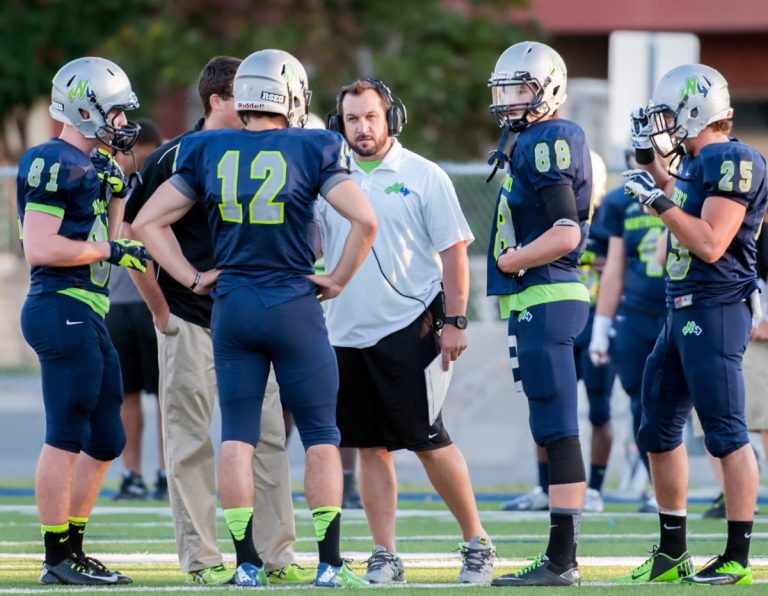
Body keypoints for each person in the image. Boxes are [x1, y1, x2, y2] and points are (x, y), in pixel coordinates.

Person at [132, 49, 377, 588]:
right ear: (289, 94)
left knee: (236, 437)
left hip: (232, 308)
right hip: (292, 303)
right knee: (319, 436)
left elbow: (147, 223)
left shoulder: (203, 146)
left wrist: (193, 277)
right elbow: (365, 220)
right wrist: (336, 279)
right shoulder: (315, 144)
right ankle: (329, 565)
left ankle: (244, 563)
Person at [316, 77, 493, 585]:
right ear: (339, 124)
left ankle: (476, 542)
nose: (362, 127)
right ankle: (384, 552)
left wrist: (456, 320)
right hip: (344, 331)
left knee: (428, 439)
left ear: (390, 117)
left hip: (409, 328)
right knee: (369, 447)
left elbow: (454, 251)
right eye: (352, 119)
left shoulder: (423, 174)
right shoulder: (330, 177)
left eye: (371, 116)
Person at [615, 63, 766, 586]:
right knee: (656, 428)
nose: (664, 127)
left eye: (669, 115)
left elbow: (708, 241)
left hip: (716, 308)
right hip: (681, 309)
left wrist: (655, 200)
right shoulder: (702, 162)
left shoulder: (732, 157)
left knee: (725, 432)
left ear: (696, 110)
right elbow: (683, 199)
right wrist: (651, 171)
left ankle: (737, 557)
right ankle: (673, 551)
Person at [17, 56, 150, 585]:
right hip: (58, 304)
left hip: (87, 309)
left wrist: (116, 191)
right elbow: (40, 247)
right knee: (67, 432)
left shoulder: (95, 166)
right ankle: (57, 557)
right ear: (87, 108)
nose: (122, 122)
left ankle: (72, 546)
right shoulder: (52, 160)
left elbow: (113, 236)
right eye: (115, 112)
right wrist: (110, 249)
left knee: (107, 438)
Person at [485, 41, 592, 587]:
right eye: (504, 88)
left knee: (558, 430)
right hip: (537, 300)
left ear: (548, 89)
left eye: (520, 88)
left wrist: (512, 259)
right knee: (549, 429)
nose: (508, 100)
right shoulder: (534, 139)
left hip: (548, 295)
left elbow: (566, 231)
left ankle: (562, 559)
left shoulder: (550, 137)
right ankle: (559, 555)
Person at [503, 151, 614, 515]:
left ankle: (593, 488)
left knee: (598, 411)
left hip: (590, 317)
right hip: (558, 310)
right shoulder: (548, 216)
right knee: (546, 405)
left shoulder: (605, 218)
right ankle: (542, 484)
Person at [588, 167, 668, 515]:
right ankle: (656, 486)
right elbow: (614, 268)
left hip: (677, 309)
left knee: (684, 407)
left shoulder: (692, 188)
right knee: (639, 403)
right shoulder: (622, 201)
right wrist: (601, 328)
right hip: (633, 314)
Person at [106, 119, 166, 501]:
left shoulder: (161, 184)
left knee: (164, 393)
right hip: (116, 301)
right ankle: (132, 473)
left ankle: (166, 470)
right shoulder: (111, 184)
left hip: (154, 300)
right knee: (126, 393)